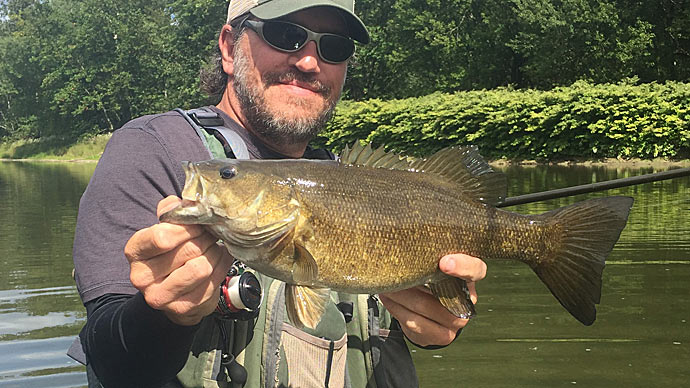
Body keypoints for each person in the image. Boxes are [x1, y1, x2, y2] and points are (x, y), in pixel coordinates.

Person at [68, 0, 488, 387]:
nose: (309, 61)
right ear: (230, 47)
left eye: (334, 47)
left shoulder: (356, 179)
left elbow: (427, 316)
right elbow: (110, 359)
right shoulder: (157, 151)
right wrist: (161, 317)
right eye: (285, 35)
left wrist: (435, 321)